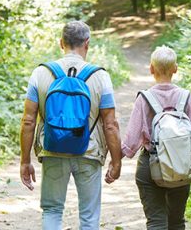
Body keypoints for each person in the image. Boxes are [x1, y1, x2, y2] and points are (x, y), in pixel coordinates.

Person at [19, 21, 123, 229]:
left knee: (52, 210)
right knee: (89, 216)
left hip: (52, 149)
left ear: (61, 43)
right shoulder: (100, 76)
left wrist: (25, 160)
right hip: (89, 152)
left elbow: (29, 120)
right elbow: (110, 124)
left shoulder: (40, 73)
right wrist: (116, 161)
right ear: (87, 43)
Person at [122, 46, 191, 229]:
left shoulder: (144, 99)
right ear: (175, 69)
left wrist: (113, 162)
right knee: (177, 221)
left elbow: (130, 143)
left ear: (151, 69)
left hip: (151, 167)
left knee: (156, 222)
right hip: (182, 166)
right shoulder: (187, 97)